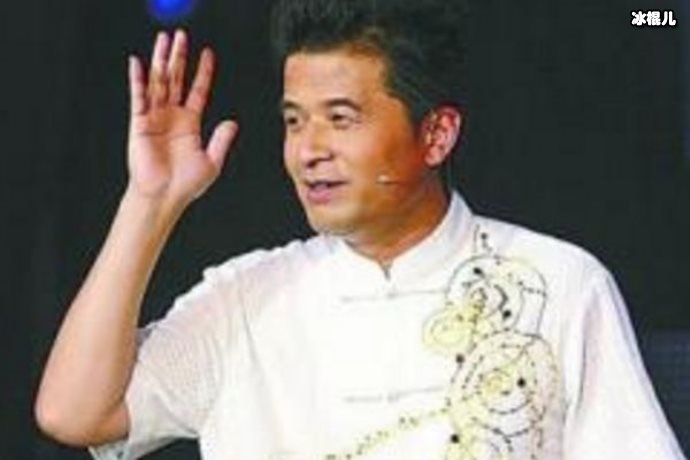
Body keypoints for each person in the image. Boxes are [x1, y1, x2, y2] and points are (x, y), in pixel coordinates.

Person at [35, 0, 685, 459]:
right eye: (294, 120)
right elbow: (74, 412)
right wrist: (150, 202)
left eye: (340, 118)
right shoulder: (245, 300)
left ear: (436, 134)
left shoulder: (559, 283)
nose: (309, 149)